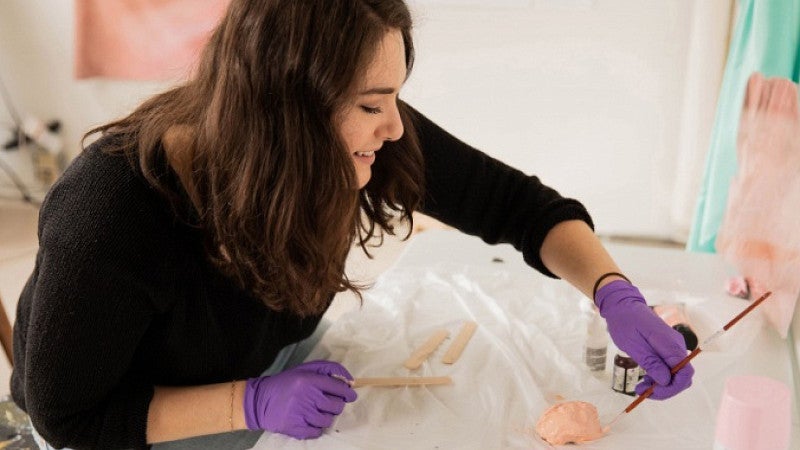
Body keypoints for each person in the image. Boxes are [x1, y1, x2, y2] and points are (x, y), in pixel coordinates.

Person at [10, 0, 694, 449]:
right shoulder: (109, 213)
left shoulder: (356, 134)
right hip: (137, 422)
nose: (395, 127)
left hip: (269, 375)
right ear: (290, 115)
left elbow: (518, 206)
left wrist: (612, 292)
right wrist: (246, 405)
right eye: (373, 105)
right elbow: (66, 415)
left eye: (394, 96)